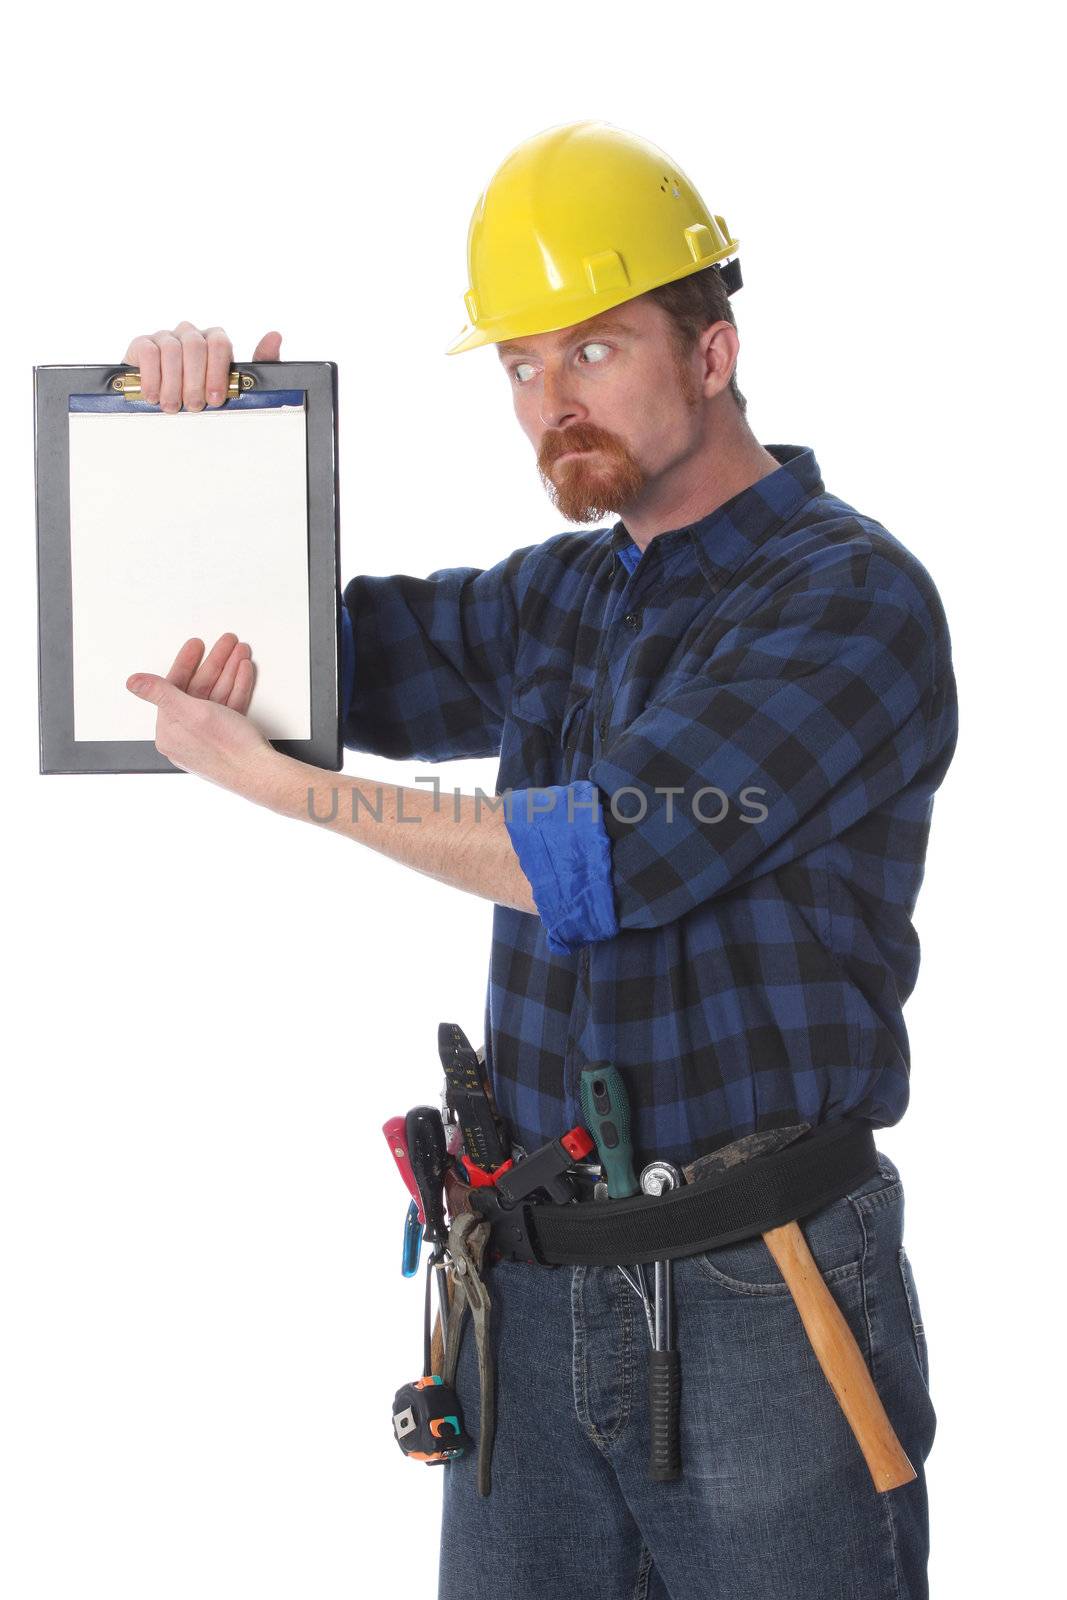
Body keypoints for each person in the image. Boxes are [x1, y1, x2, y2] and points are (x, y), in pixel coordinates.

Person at [122, 120, 957, 1599]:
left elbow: (605, 859)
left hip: (761, 1295)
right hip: (528, 1278)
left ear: (712, 352)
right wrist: (204, 440)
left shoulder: (853, 601)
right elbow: (287, 664)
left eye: (595, 348)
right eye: (520, 365)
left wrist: (303, 802)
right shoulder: (563, 597)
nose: (550, 400)